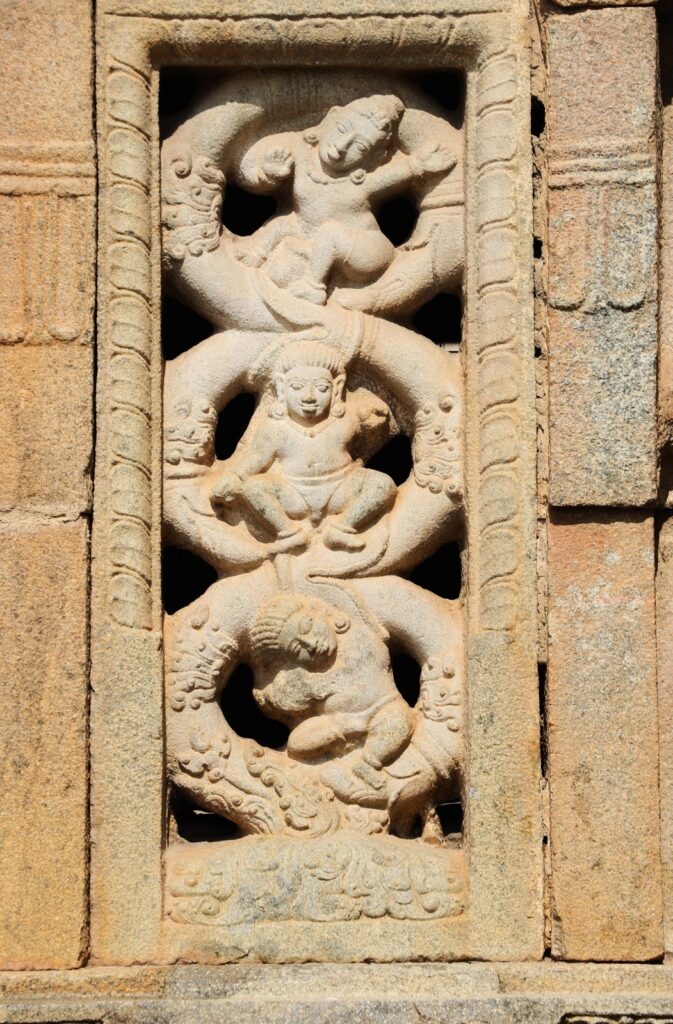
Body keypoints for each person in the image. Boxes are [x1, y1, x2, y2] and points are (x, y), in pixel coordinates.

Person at [234, 95, 455, 303]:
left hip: (366, 249)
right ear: (331, 117)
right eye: (342, 129)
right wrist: (272, 171)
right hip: (310, 232)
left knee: (330, 232)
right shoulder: (302, 156)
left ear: (374, 159)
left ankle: (313, 287)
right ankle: (255, 255)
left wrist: (421, 165)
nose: (340, 147)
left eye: (359, 147)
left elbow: (405, 170)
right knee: (284, 223)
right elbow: (262, 163)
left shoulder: (360, 182)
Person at [211, 340, 396, 552]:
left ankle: (343, 527)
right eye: (297, 387)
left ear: (336, 389)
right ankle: (289, 532)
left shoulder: (346, 419)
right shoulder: (276, 428)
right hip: (294, 492)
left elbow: (378, 424)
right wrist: (233, 478)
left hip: (340, 487)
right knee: (254, 488)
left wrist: (375, 416)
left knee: (382, 485)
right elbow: (255, 459)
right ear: (281, 388)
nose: (309, 397)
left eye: (321, 388)